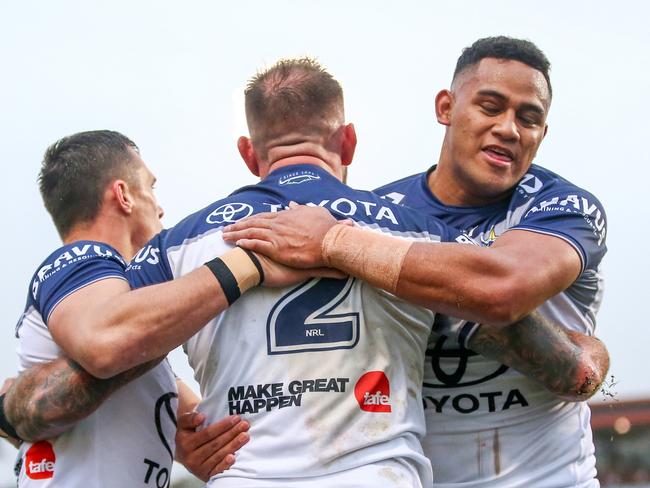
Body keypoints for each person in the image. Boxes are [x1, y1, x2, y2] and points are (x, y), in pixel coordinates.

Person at [223, 37, 609, 487]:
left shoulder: (562, 205)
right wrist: (202, 426)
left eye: (529, 118)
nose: (509, 129)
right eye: (490, 107)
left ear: (543, 133)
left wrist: (335, 242)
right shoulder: (383, 212)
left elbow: (504, 288)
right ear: (446, 107)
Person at [125, 57, 490, 487]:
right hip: (377, 476)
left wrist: (183, 421)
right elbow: (504, 301)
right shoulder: (418, 234)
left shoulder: (178, 245)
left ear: (248, 153)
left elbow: (113, 346)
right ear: (348, 141)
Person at [4, 130, 313, 486]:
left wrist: (198, 441)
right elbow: (107, 343)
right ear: (123, 195)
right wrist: (247, 266)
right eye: (151, 187)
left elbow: (202, 416)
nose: (160, 206)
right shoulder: (84, 258)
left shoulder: (134, 321)